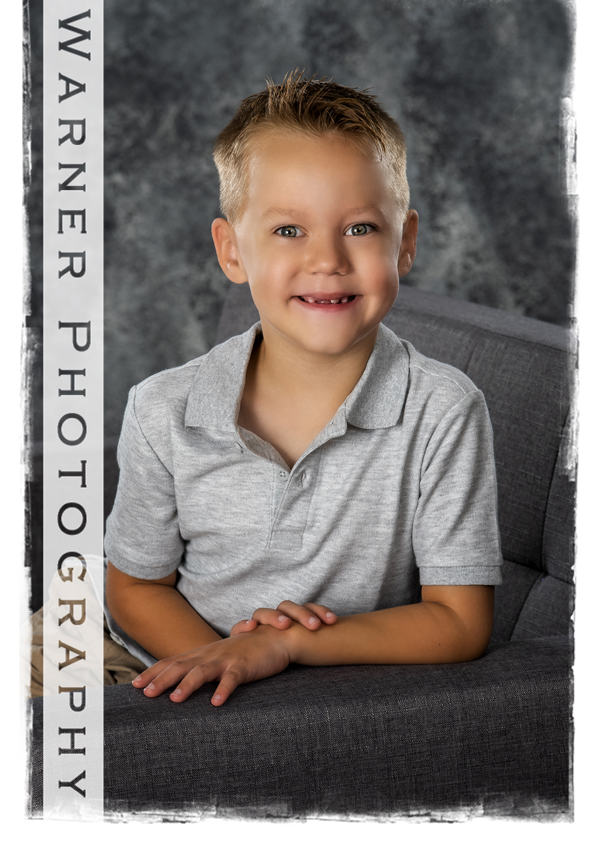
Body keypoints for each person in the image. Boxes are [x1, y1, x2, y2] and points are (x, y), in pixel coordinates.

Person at [103, 71, 503, 707]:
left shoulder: (444, 411)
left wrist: (283, 646)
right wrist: (222, 665)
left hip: (318, 692)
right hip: (150, 670)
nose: (328, 260)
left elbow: (459, 622)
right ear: (232, 252)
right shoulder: (163, 410)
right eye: (289, 230)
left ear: (406, 244)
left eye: (361, 228)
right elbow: (132, 589)